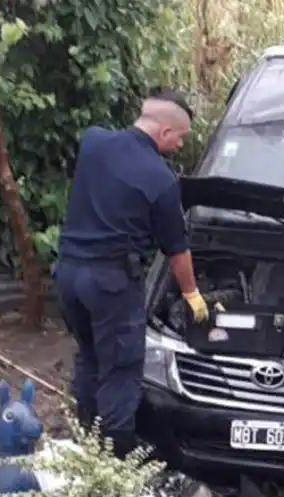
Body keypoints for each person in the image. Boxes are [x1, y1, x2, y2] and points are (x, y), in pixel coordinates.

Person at [53, 87, 209, 459]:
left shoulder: (93, 142)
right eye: (181, 137)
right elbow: (177, 251)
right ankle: (117, 456)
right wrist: (191, 295)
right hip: (110, 282)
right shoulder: (160, 178)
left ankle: (85, 444)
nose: (179, 144)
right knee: (121, 367)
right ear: (165, 133)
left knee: (90, 356)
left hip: (68, 273)